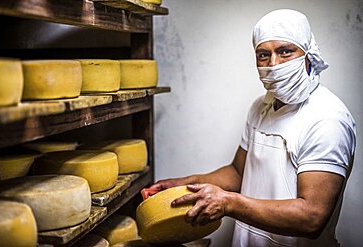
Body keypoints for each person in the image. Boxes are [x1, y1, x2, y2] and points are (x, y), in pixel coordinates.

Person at [148, 9, 356, 247]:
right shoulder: (261, 107)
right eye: (263, 55)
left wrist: (228, 204)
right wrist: (185, 186)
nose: (273, 64)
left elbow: (311, 217)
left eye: (285, 51)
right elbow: (238, 172)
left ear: (308, 55)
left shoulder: (326, 118)